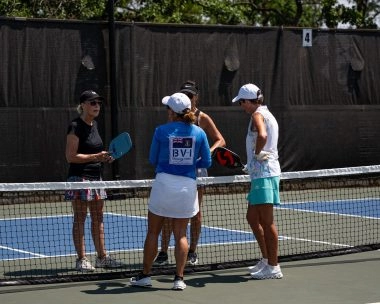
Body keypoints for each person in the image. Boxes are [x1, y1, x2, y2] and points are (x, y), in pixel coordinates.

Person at [130, 92, 212, 290]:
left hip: (163, 185)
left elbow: (152, 159)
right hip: (187, 187)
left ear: (172, 112)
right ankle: (179, 279)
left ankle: (145, 276)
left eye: (168, 108)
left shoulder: (160, 131)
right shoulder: (199, 133)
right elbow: (207, 161)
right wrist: (190, 161)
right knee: (181, 234)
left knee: (153, 232)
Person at [153, 80, 226, 267]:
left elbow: (220, 140)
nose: (188, 98)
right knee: (169, 214)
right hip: (175, 172)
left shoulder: (203, 119)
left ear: (196, 97)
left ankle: (192, 251)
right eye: (185, 95)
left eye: (191, 95)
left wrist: (206, 152)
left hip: (197, 172)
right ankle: (163, 252)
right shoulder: (174, 117)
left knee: (196, 214)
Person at [65, 90, 125, 272]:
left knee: (98, 218)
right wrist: (95, 156)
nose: (96, 106)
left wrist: (104, 157)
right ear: (82, 105)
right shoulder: (75, 126)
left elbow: (95, 154)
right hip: (80, 178)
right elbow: (71, 156)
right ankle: (81, 259)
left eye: (98, 103)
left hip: (96, 178)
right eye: (92, 103)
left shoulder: (95, 125)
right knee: (80, 218)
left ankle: (102, 258)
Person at [232, 83, 283, 280]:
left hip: (264, 174)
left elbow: (262, 135)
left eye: (242, 102)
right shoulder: (266, 113)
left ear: (248, 101)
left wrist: (256, 155)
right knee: (252, 218)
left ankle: (274, 266)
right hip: (261, 174)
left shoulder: (257, 115)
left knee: (267, 222)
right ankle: (265, 258)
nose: (241, 106)